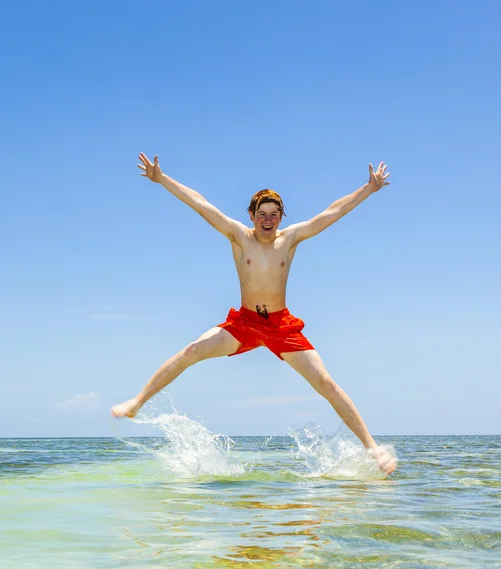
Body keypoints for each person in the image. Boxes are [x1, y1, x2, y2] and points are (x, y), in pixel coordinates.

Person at [111, 153, 397, 476]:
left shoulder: (290, 239)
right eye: (262, 214)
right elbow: (201, 204)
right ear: (251, 215)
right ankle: (136, 403)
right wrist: (162, 179)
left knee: (325, 382)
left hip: (280, 326)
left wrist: (368, 189)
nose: (268, 220)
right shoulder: (238, 236)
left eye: (275, 215)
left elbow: (332, 212)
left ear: (281, 216)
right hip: (244, 323)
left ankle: (373, 449)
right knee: (191, 351)